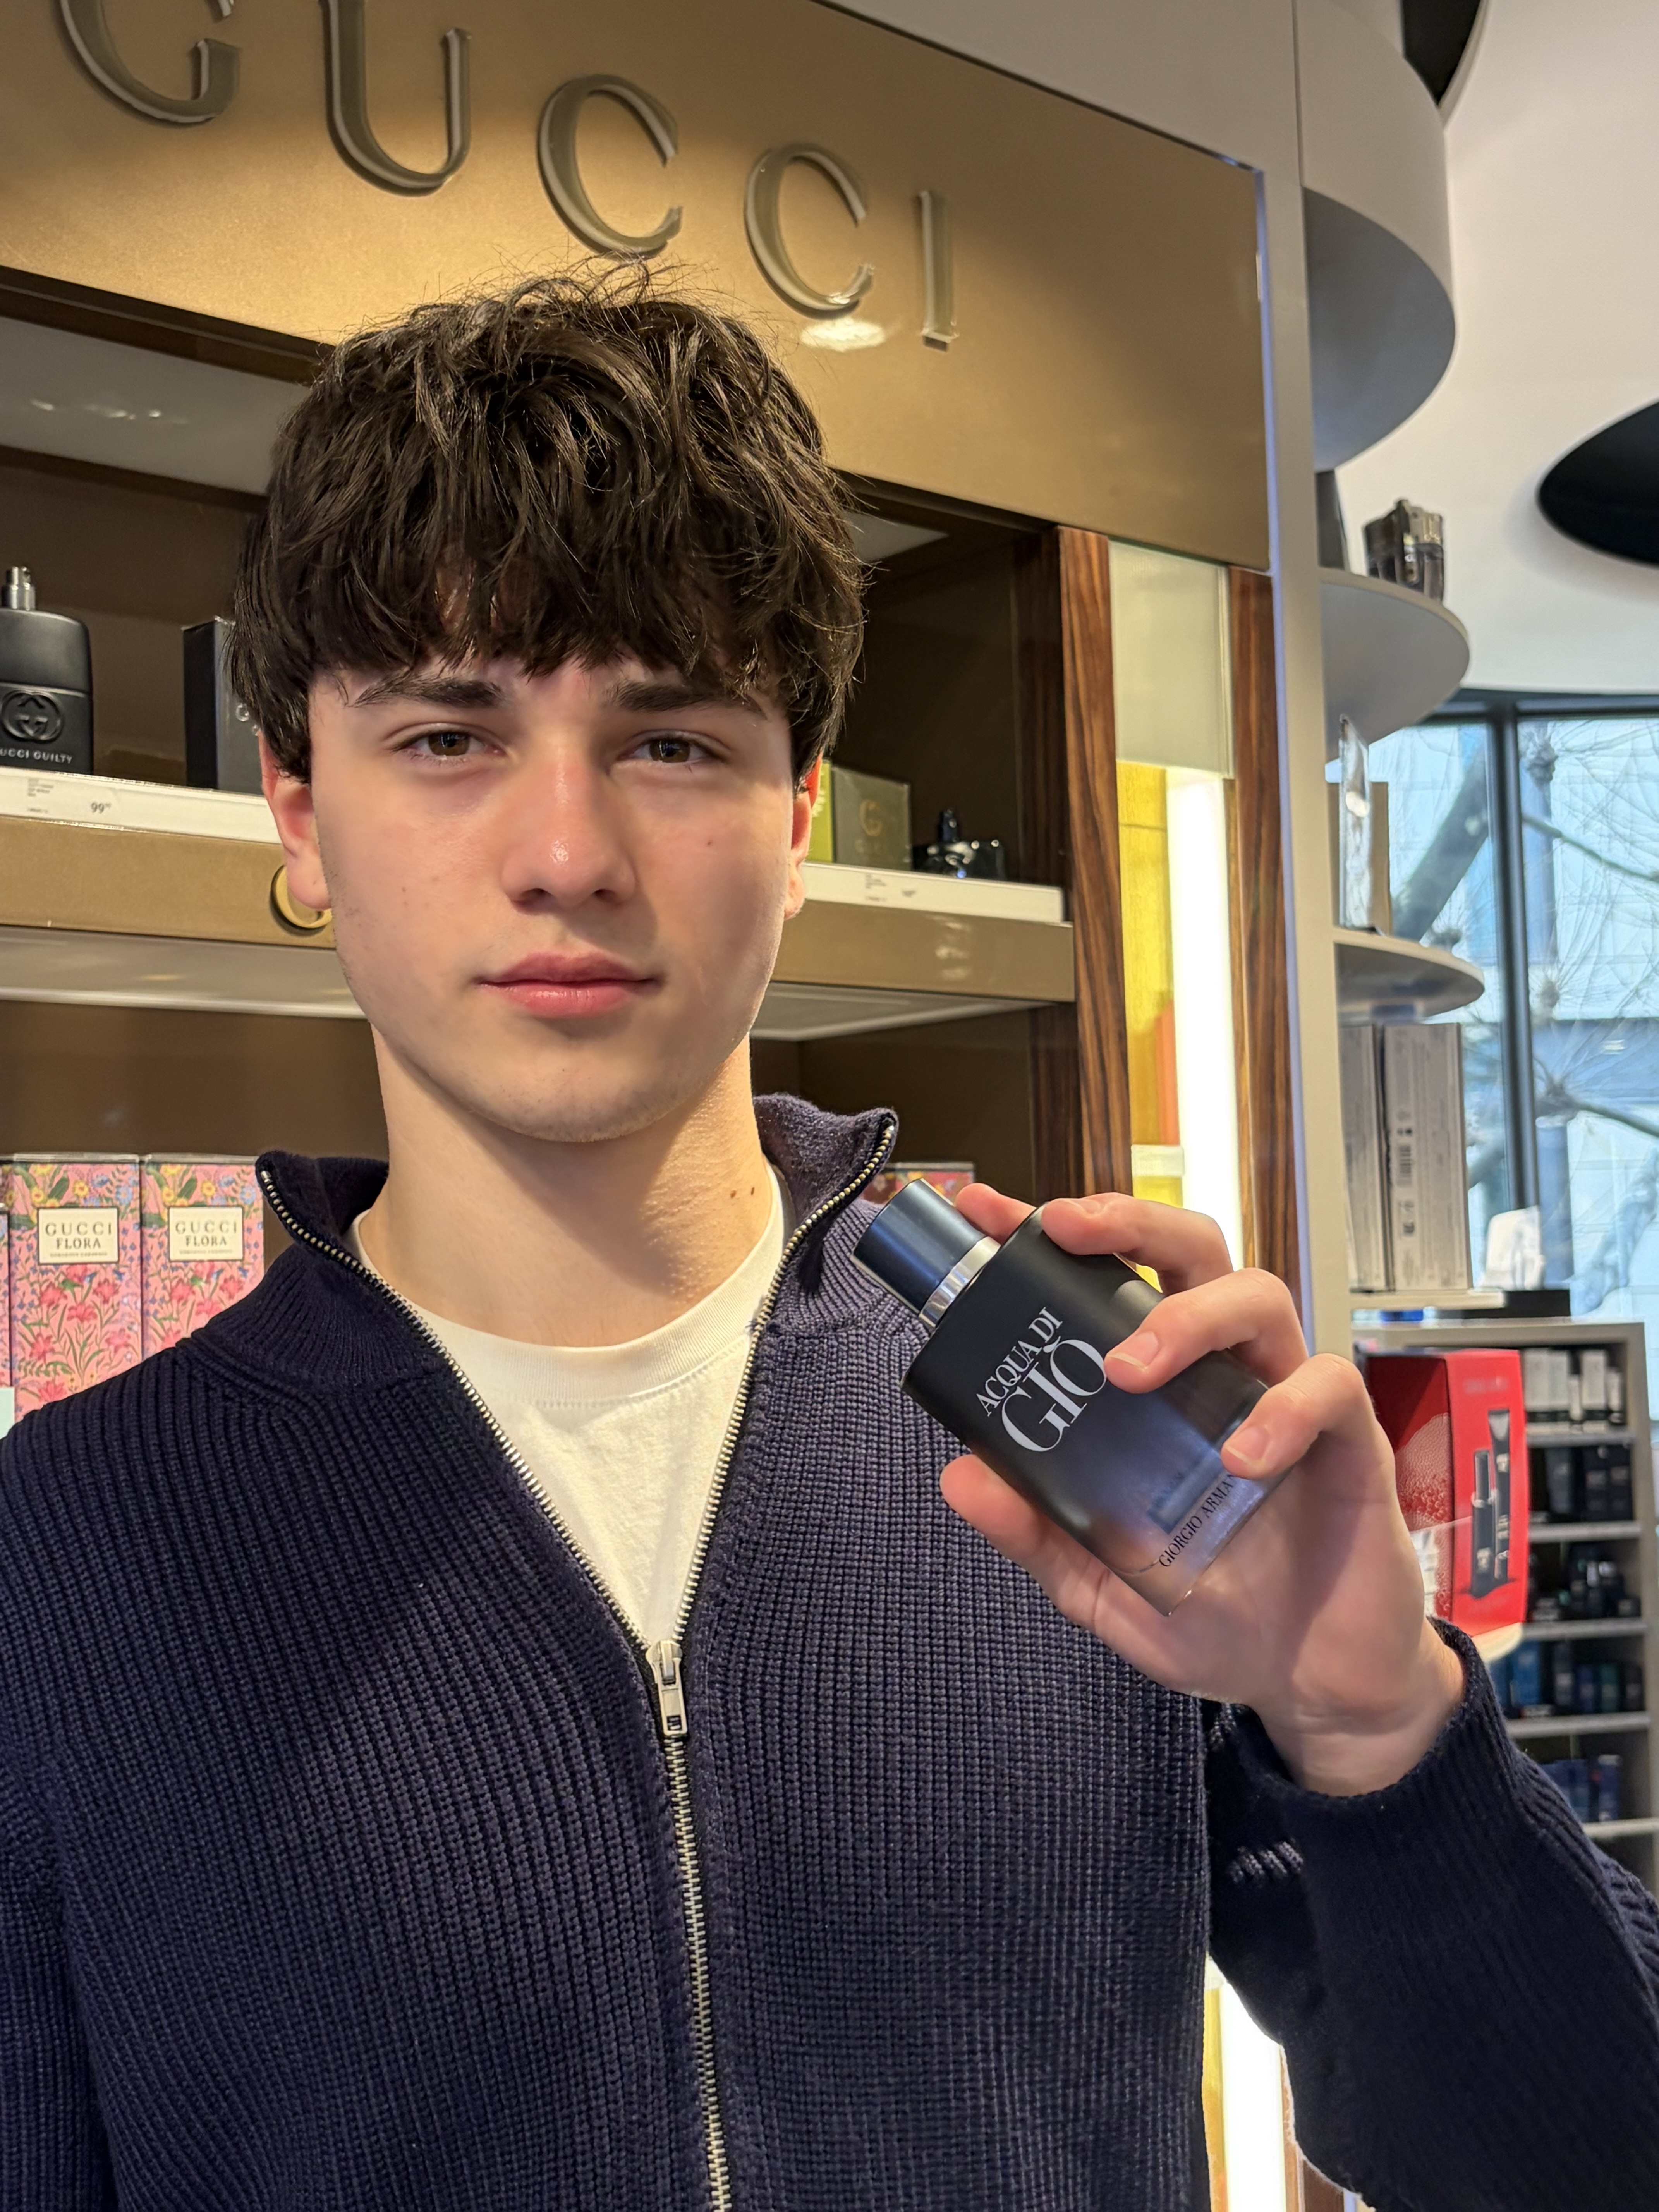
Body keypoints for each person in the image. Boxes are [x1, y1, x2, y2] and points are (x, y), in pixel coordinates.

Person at [0, 272, 1654, 2212]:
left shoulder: (1081, 1428)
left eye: (671, 743)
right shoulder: (70, 1549)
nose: (566, 852)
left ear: (800, 811)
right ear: (299, 807)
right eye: (447, 735)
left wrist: (1379, 1727)